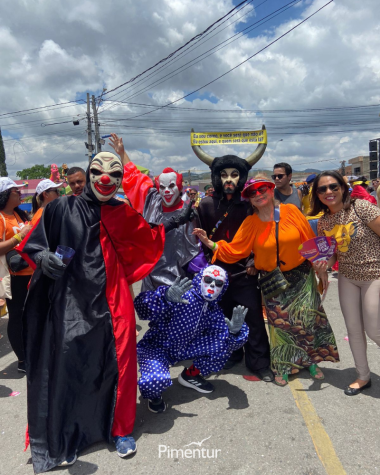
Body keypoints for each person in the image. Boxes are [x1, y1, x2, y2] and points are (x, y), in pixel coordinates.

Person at [17, 152, 165, 472]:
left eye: (114, 173)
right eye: (98, 171)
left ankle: (121, 430)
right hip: (72, 300)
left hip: (115, 300)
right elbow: (31, 246)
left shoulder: (122, 213)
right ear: (88, 173)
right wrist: (41, 257)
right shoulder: (60, 208)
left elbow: (150, 232)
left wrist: (174, 218)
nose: (105, 178)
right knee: (70, 362)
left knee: (122, 364)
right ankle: (69, 434)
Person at [194, 177, 339, 386]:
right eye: (252, 193)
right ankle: (282, 364)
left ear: (271, 190)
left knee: (306, 320)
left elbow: (308, 240)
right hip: (272, 279)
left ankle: (311, 361)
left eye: (262, 189)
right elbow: (237, 249)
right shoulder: (251, 222)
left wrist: (319, 265)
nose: (258, 194)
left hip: (300, 275)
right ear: (250, 200)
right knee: (279, 325)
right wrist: (211, 244)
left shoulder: (291, 211)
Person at [191, 130, 273, 381]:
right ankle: (231, 353)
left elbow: (260, 236)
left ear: (241, 178)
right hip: (217, 274)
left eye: (235, 174)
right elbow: (200, 239)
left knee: (253, 318)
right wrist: (207, 268)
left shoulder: (251, 204)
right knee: (223, 317)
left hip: (244, 272)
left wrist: (252, 263)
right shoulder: (204, 205)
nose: (229, 180)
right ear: (216, 177)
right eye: (224, 175)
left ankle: (258, 362)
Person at [135, 266, 249, 412]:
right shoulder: (182, 295)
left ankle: (189, 375)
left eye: (218, 283)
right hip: (157, 348)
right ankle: (154, 396)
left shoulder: (213, 309)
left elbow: (226, 342)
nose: (213, 285)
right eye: (208, 280)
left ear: (223, 288)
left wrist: (234, 332)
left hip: (185, 349)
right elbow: (141, 309)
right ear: (200, 279)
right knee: (155, 381)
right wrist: (164, 297)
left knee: (223, 343)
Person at [311, 171, 380, 396]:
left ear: (343, 187)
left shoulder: (361, 208)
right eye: (322, 189)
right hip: (347, 278)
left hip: (374, 274)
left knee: (374, 329)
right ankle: (363, 376)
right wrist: (323, 265)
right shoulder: (323, 221)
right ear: (317, 194)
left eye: (333, 186)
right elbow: (332, 256)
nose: (329, 192)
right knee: (354, 329)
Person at [109, 133, 199, 292]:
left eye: (171, 186)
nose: (167, 192)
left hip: (181, 281)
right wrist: (122, 154)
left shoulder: (189, 211)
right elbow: (135, 178)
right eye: (162, 188)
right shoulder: (152, 200)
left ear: (179, 187)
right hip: (152, 279)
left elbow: (195, 249)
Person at [0, 178, 33, 372]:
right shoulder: (1, 217)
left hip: (29, 272)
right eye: (16, 191)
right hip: (14, 276)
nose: (20, 194)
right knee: (17, 316)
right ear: (5, 195)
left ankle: (30, 352)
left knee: (29, 315)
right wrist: (19, 237)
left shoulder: (19, 214)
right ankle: (22, 359)